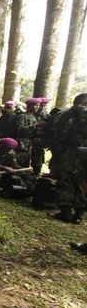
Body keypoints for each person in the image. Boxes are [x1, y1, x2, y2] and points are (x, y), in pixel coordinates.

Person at [47, 93, 87, 223]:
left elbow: (53, 132)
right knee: (82, 182)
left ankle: (66, 212)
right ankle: (79, 215)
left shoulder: (62, 114)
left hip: (66, 152)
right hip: (83, 153)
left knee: (65, 180)